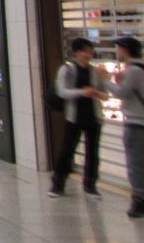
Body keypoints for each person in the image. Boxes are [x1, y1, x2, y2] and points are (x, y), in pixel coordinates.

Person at [49, 38, 108, 199]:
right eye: (85, 50)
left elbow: (105, 96)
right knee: (67, 151)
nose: (89, 54)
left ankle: (90, 185)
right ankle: (58, 184)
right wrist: (83, 92)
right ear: (77, 52)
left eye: (90, 51)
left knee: (93, 153)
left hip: (94, 117)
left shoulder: (95, 72)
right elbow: (62, 92)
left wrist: (97, 91)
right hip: (74, 117)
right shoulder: (67, 70)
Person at [99, 36, 144, 217]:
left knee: (135, 164)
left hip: (136, 124)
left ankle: (139, 201)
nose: (118, 52)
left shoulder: (133, 71)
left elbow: (121, 93)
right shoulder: (139, 68)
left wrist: (104, 80)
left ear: (126, 50)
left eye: (119, 48)